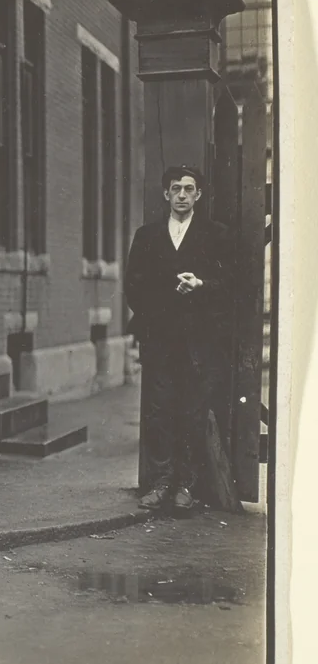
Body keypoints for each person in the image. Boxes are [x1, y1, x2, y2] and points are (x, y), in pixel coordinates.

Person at [126, 165, 232, 516]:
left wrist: (200, 286)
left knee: (192, 410)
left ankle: (187, 484)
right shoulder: (147, 236)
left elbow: (229, 286)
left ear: (199, 195)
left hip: (197, 341)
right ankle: (161, 482)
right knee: (159, 410)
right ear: (166, 194)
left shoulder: (214, 235)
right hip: (159, 338)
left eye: (189, 188)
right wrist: (157, 310)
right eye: (176, 189)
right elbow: (133, 288)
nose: (183, 195)